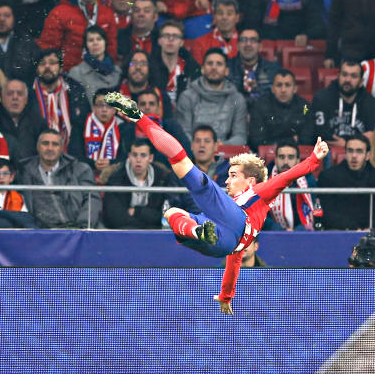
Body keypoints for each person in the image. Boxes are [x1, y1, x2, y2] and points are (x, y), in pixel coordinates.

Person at [105, 90, 329, 315]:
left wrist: (313, 159)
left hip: (233, 219)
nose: (227, 179)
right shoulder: (240, 236)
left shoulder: (259, 192)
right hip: (224, 242)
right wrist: (225, 296)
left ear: (250, 180)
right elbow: (233, 264)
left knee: (182, 162)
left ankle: (140, 118)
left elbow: (285, 177)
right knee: (173, 212)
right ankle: (196, 231)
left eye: (233, 175)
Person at [38, 0, 118, 71]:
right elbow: (49, 47)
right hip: (69, 73)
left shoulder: (108, 14)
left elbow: (111, 47)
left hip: (99, 72)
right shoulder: (59, 13)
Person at [17, 129, 101, 228]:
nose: (50, 148)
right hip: (40, 232)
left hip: (77, 228)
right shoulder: (23, 171)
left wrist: (83, 226)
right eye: (45, 143)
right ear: (37, 147)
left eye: (55, 144)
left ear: (62, 148)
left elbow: (92, 199)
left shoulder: (80, 169)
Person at [176, 48, 248, 146]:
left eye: (219, 64)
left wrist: (220, 146)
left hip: (223, 151)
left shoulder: (237, 99)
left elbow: (240, 136)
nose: (214, 67)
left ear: (226, 71)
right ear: (202, 69)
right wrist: (201, 146)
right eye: (210, 63)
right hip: (193, 152)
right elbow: (184, 133)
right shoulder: (187, 97)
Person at [102, 138, 173, 229]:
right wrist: (148, 219)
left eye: (143, 155)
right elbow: (115, 218)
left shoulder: (162, 178)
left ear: (151, 158)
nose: (138, 160)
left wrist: (137, 211)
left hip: (154, 233)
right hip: (124, 233)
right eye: (134, 155)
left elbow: (163, 216)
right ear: (129, 156)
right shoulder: (116, 178)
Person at [117, 88, 192, 168]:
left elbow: (186, 155)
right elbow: (121, 158)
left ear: (158, 108)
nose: (147, 107)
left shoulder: (171, 127)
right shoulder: (126, 129)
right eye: (143, 104)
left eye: (151, 104)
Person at [317, 134, 375, 230]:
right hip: (340, 232)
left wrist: (372, 228)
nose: (354, 156)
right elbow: (328, 213)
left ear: (368, 155)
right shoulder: (328, 177)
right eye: (350, 151)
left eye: (359, 151)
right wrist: (353, 228)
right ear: (345, 153)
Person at [312, 59, 375, 147]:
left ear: (361, 82)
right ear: (338, 76)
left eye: (353, 76)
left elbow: (372, 135)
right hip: (328, 150)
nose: (348, 80)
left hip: (359, 152)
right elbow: (319, 132)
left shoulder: (371, 103)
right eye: (344, 75)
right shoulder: (322, 98)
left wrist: (346, 143)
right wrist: (357, 138)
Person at [31, 48, 91, 142]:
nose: (47, 66)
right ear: (37, 69)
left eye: (52, 63)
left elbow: (84, 123)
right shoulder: (28, 92)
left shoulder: (75, 90)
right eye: (42, 63)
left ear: (61, 68)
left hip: (70, 149)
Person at [248, 69, 315, 148]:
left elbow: (308, 139)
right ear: (272, 88)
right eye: (279, 85)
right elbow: (257, 140)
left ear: (295, 89)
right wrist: (290, 141)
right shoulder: (259, 106)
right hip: (267, 154)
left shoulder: (305, 107)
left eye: (287, 85)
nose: (283, 90)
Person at [264, 141, 318, 231]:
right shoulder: (265, 180)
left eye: (290, 157)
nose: (286, 162)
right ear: (276, 159)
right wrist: (281, 231)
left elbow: (312, 212)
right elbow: (262, 216)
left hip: (301, 234)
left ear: (297, 160)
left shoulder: (308, 180)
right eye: (281, 157)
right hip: (273, 234)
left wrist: (297, 231)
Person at [72, 87, 123, 178]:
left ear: (115, 110)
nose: (104, 109)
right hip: (83, 174)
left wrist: (110, 163)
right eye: (100, 105)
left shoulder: (123, 126)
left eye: (109, 105)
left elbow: (125, 156)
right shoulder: (80, 124)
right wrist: (92, 163)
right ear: (94, 108)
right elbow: (74, 153)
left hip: (113, 177)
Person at [149, 20, 199, 106]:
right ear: (159, 41)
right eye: (166, 35)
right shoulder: (149, 67)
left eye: (175, 36)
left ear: (182, 42)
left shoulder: (191, 68)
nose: (170, 39)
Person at [0, 78, 46, 162]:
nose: (15, 97)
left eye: (20, 94)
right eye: (10, 94)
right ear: (2, 98)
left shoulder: (37, 121)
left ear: (26, 100)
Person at [68, 25, 122, 103]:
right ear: (86, 45)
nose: (95, 43)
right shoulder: (76, 73)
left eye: (99, 39)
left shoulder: (117, 72)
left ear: (105, 42)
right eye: (91, 40)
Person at [228, 28, 281, 102]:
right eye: (243, 40)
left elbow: (276, 99)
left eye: (253, 40)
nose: (248, 44)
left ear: (260, 47)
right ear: (237, 46)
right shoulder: (227, 68)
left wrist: (257, 89)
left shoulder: (273, 70)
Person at [189, 0, 241, 65]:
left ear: (237, 18)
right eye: (220, 13)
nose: (224, 17)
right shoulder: (200, 43)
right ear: (214, 17)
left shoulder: (245, 42)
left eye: (229, 14)